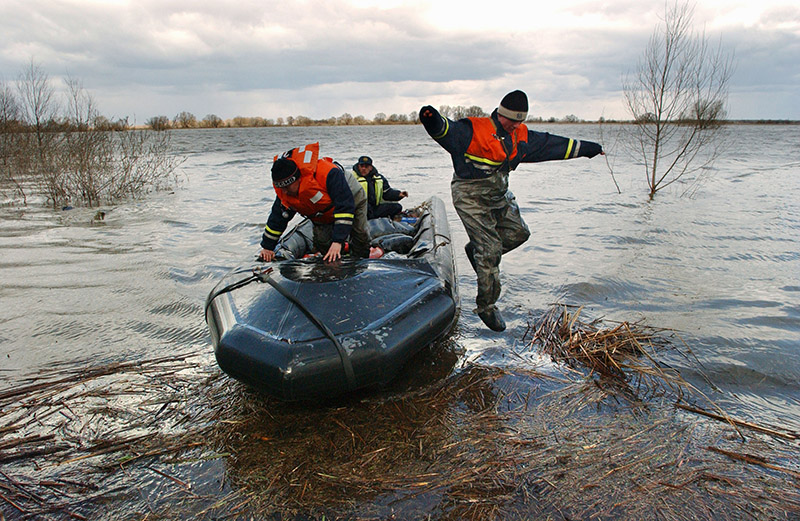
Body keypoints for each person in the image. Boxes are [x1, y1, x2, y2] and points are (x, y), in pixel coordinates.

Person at [418, 90, 604, 332]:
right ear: (500, 113)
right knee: (491, 250)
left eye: (521, 121)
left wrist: (589, 148)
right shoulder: (474, 130)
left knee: (519, 234)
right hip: (470, 195)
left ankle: (477, 253)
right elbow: (446, 130)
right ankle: (486, 306)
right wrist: (430, 118)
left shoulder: (521, 137)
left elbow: (553, 145)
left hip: (498, 194)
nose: (516, 125)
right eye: (512, 120)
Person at [259, 142, 370, 263]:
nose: (285, 191)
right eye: (281, 188)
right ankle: (337, 263)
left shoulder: (329, 174)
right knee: (322, 242)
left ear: (298, 178)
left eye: (288, 187)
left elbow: (345, 207)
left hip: (351, 198)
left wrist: (337, 241)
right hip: (321, 212)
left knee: (360, 235)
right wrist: (267, 247)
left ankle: (360, 263)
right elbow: (277, 219)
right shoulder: (285, 193)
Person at [352, 155, 409, 220]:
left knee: (397, 207)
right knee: (367, 208)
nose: (363, 168)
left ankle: (384, 222)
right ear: (358, 166)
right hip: (359, 209)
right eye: (362, 166)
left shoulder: (378, 178)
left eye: (366, 166)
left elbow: (387, 193)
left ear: (370, 167)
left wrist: (399, 194)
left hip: (374, 208)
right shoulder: (352, 178)